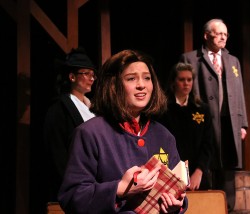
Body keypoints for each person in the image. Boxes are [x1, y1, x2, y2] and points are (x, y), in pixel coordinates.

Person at [57, 49, 187, 213]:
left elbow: (178, 190)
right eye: (131, 78)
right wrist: (120, 188)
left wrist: (176, 205)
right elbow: (71, 197)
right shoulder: (90, 133)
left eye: (147, 78)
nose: (141, 85)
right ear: (114, 85)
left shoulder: (164, 135)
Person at [179, 18, 248, 211]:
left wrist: (243, 123)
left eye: (226, 34)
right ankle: (207, 207)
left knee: (229, 167)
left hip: (229, 121)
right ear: (206, 35)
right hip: (203, 121)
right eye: (219, 33)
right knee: (206, 163)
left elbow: (240, 92)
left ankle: (227, 207)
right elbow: (186, 91)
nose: (223, 37)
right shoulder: (191, 58)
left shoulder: (232, 60)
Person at [43, 47, 97, 202]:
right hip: (76, 187)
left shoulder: (94, 110)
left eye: (93, 75)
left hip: (97, 183)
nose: (92, 78)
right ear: (72, 76)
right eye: (86, 73)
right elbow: (57, 154)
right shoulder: (58, 110)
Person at [158, 62, 214, 191]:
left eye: (189, 79)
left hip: (197, 175)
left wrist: (199, 171)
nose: (186, 83)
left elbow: (208, 144)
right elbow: (160, 144)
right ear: (173, 82)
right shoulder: (163, 110)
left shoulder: (202, 109)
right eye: (181, 79)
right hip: (170, 172)